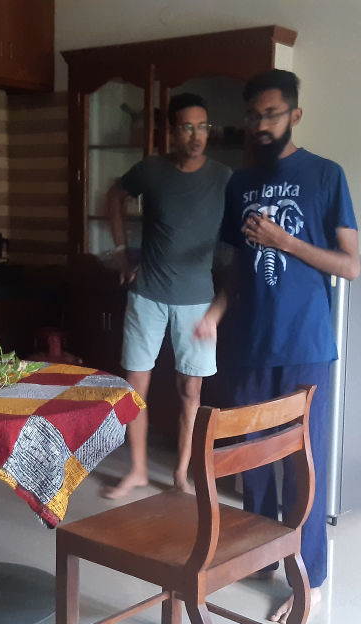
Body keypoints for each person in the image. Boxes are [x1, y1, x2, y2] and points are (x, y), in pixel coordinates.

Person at [194, 69, 360, 624]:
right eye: (253, 116)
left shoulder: (326, 175)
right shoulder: (239, 183)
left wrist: (285, 241)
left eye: (271, 114)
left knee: (301, 463)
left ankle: (309, 575)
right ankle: (263, 554)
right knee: (254, 460)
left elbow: (350, 265)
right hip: (249, 343)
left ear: (295, 115)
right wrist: (215, 314)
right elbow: (235, 267)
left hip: (305, 344)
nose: (260, 125)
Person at [100, 93, 233, 499]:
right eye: (188, 128)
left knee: (191, 390)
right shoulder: (151, 170)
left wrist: (221, 304)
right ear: (173, 132)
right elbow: (114, 196)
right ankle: (138, 469)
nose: (196, 136)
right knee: (135, 386)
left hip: (198, 300)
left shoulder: (224, 177)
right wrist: (121, 253)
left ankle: (180, 472)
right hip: (148, 295)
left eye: (203, 127)